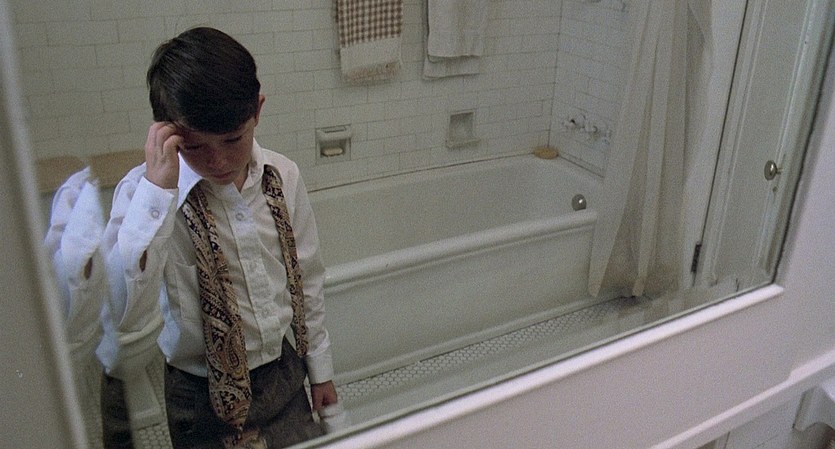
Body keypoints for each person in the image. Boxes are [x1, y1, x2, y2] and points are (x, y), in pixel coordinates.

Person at [104, 27, 338, 449]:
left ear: (257, 111)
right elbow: (123, 309)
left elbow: (307, 279)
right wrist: (157, 197)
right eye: (195, 147)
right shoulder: (144, 196)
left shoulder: (283, 176)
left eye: (233, 139)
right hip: (198, 395)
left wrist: (320, 369)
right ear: (166, 132)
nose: (218, 160)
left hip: (282, 373)